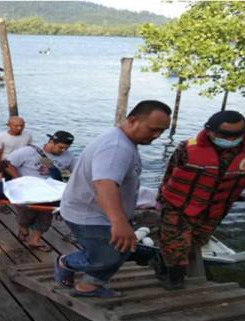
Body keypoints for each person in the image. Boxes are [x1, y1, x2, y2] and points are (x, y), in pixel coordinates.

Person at [155, 110, 245, 290]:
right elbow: (170, 173)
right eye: (225, 135)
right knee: (175, 244)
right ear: (210, 131)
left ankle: (165, 264)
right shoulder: (188, 147)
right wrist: (160, 199)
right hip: (178, 204)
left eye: (236, 135)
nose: (230, 139)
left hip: (215, 209)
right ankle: (174, 281)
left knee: (195, 243)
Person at [55, 100, 172, 298]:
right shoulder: (116, 147)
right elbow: (104, 184)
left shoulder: (125, 141)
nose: (157, 136)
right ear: (133, 120)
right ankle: (66, 262)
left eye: (162, 131)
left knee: (123, 249)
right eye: (153, 129)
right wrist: (119, 222)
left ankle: (89, 286)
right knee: (105, 257)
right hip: (89, 214)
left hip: (103, 212)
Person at [2, 131, 76, 252]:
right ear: (51, 141)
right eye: (61, 147)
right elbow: (7, 164)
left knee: (45, 218)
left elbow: (77, 171)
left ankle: (34, 240)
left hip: (50, 195)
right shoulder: (27, 151)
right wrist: (18, 179)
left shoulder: (69, 156)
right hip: (26, 193)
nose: (63, 150)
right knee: (25, 217)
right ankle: (23, 228)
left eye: (66, 148)